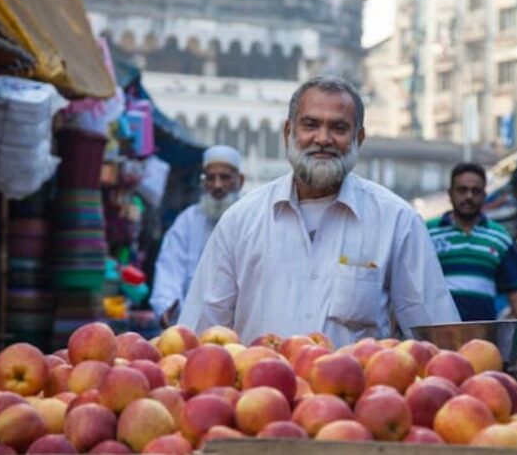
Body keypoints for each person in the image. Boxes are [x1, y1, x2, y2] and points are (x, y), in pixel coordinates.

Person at [178, 75, 460, 346]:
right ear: (289, 132)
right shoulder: (241, 221)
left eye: (338, 128)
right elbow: (201, 332)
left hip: (356, 395)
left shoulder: (397, 222)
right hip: (259, 393)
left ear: (358, 138)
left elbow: (437, 341)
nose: (323, 138)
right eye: (310, 124)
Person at [427, 163, 517, 365]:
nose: (469, 196)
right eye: (462, 190)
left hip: (483, 342)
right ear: (450, 193)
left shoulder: (499, 237)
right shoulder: (427, 232)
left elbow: (516, 292)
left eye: (476, 191)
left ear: (484, 195)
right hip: (437, 340)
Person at [149, 145, 244, 328]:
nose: (217, 185)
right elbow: (170, 268)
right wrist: (167, 306)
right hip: (190, 328)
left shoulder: (251, 220)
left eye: (224, 177)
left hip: (240, 329)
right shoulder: (187, 221)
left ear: (239, 180)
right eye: (210, 178)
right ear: (203, 182)